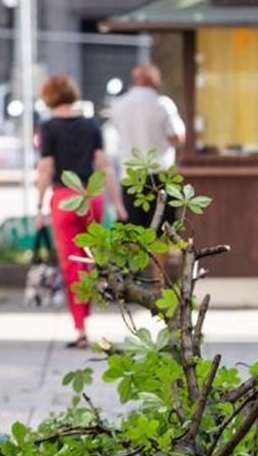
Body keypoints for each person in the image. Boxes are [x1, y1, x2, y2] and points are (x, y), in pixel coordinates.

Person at [36, 75, 124, 348]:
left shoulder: (48, 128)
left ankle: (80, 327)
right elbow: (104, 165)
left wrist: (39, 205)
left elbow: (45, 168)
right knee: (89, 260)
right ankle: (85, 315)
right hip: (92, 196)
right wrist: (117, 203)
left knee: (71, 265)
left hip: (64, 198)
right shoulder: (91, 125)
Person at [109, 63, 186, 229]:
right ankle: (159, 257)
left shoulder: (119, 105)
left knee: (134, 232)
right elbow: (178, 137)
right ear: (154, 80)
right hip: (160, 176)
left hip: (131, 175)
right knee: (163, 232)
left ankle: (139, 256)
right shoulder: (163, 104)